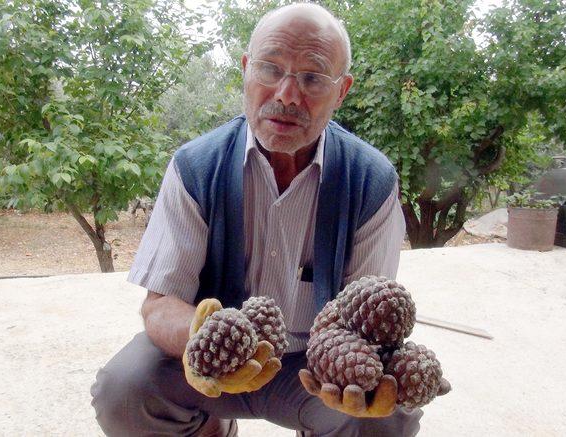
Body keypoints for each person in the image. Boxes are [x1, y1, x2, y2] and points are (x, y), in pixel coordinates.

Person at [91, 3, 424, 436]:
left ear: (341, 91)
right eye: (270, 69)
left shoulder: (371, 180)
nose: (287, 94)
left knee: (390, 414)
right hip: (218, 358)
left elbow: (366, 320)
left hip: (314, 370)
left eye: (312, 77)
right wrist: (201, 339)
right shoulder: (196, 167)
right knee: (125, 389)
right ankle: (211, 428)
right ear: (247, 70)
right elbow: (159, 305)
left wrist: (355, 371)